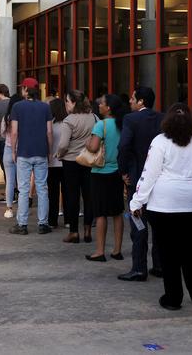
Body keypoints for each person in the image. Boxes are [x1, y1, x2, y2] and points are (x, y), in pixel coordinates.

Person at [129, 103, 192, 310]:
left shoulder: (160, 142)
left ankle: (173, 297)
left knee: (167, 251)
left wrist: (137, 200)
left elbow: (149, 174)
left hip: (163, 204)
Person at [117, 86, 164, 282]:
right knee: (159, 223)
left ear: (141, 101)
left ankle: (139, 267)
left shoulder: (131, 119)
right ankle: (160, 265)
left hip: (137, 177)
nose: (130, 101)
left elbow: (124, 146)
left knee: (138, 223)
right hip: (161, 179)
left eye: (133, 98)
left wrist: (123, 172)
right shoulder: (162, 118)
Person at [84, 94, 127, 262]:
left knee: (100, 213)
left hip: (100, 173)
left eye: (101, 103)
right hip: (117, 172)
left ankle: (100, 251)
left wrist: (88, 143)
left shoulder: (100, 125)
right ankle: (117, 250)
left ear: (108, 108)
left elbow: (94, 147)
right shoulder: (122, 124)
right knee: (117, 212)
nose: (98, 105)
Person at [9, 84, 53, 235]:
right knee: (42, 188)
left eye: (23, 88)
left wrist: (14, 150)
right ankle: (43, 224)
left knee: (23, 189)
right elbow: (49, 132)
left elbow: (14, 132)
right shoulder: (45, 107)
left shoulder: (17, 107)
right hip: (41, 152)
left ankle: (22, 224)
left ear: (26, 90)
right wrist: (49, 150)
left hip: (24, 152)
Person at [57, 90, 97, 244]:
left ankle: (74, 232)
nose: (66, 104)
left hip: (71, 162)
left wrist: (59, 154)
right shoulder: (94, 118)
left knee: (72, 196)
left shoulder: (69, 120)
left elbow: (63, 144)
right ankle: (87, 230)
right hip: (90, 160)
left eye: (67, 101)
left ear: (74, 102)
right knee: (89, 196)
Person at [47, 98, 68, 227]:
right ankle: (68, 220)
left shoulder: (51, 125)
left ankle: (52, 220)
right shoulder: (68, 123)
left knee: (52, 194)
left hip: (52, 163)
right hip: (66, 162)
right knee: (67, 192)